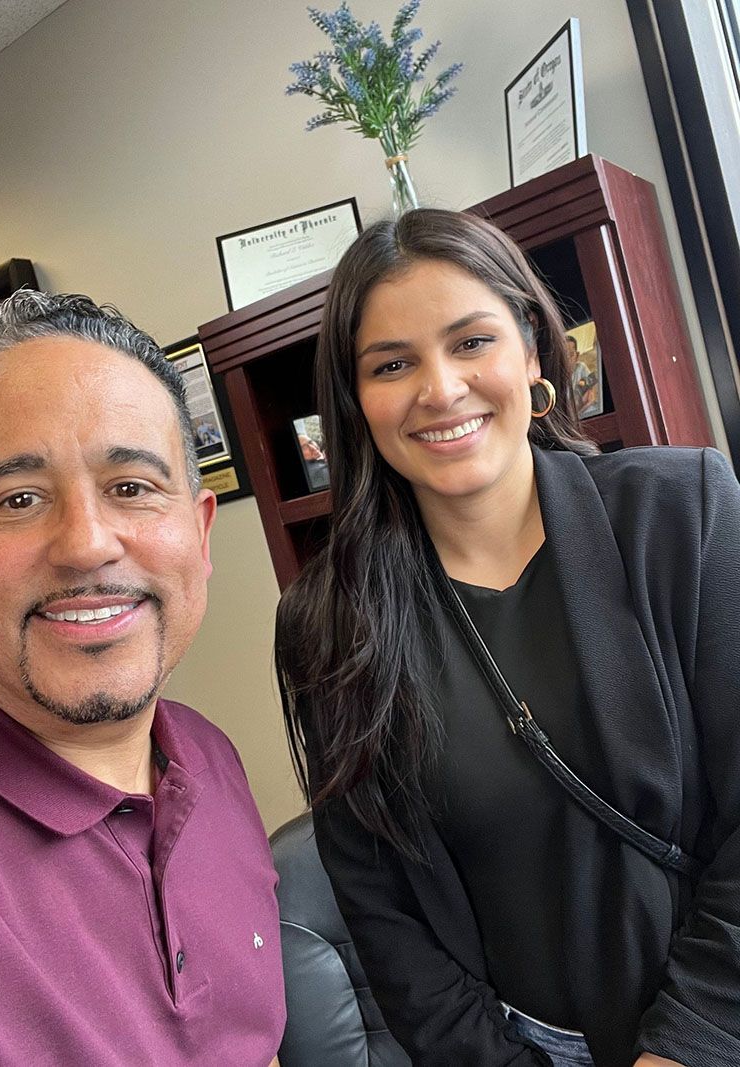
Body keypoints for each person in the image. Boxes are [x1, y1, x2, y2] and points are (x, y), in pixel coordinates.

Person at [275, 209, 740, 1067]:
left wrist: (688, 1046)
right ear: (356, 400)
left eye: (471, 342)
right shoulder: (330, 621)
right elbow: (383, 913)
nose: (440, 388)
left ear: (531, 351)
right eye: (392, 363)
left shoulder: (685, 511)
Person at [0, 291, 284, 1066]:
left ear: (199, 536)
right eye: (18, 498)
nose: (87, 544)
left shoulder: (210, 758)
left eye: (130, 486)